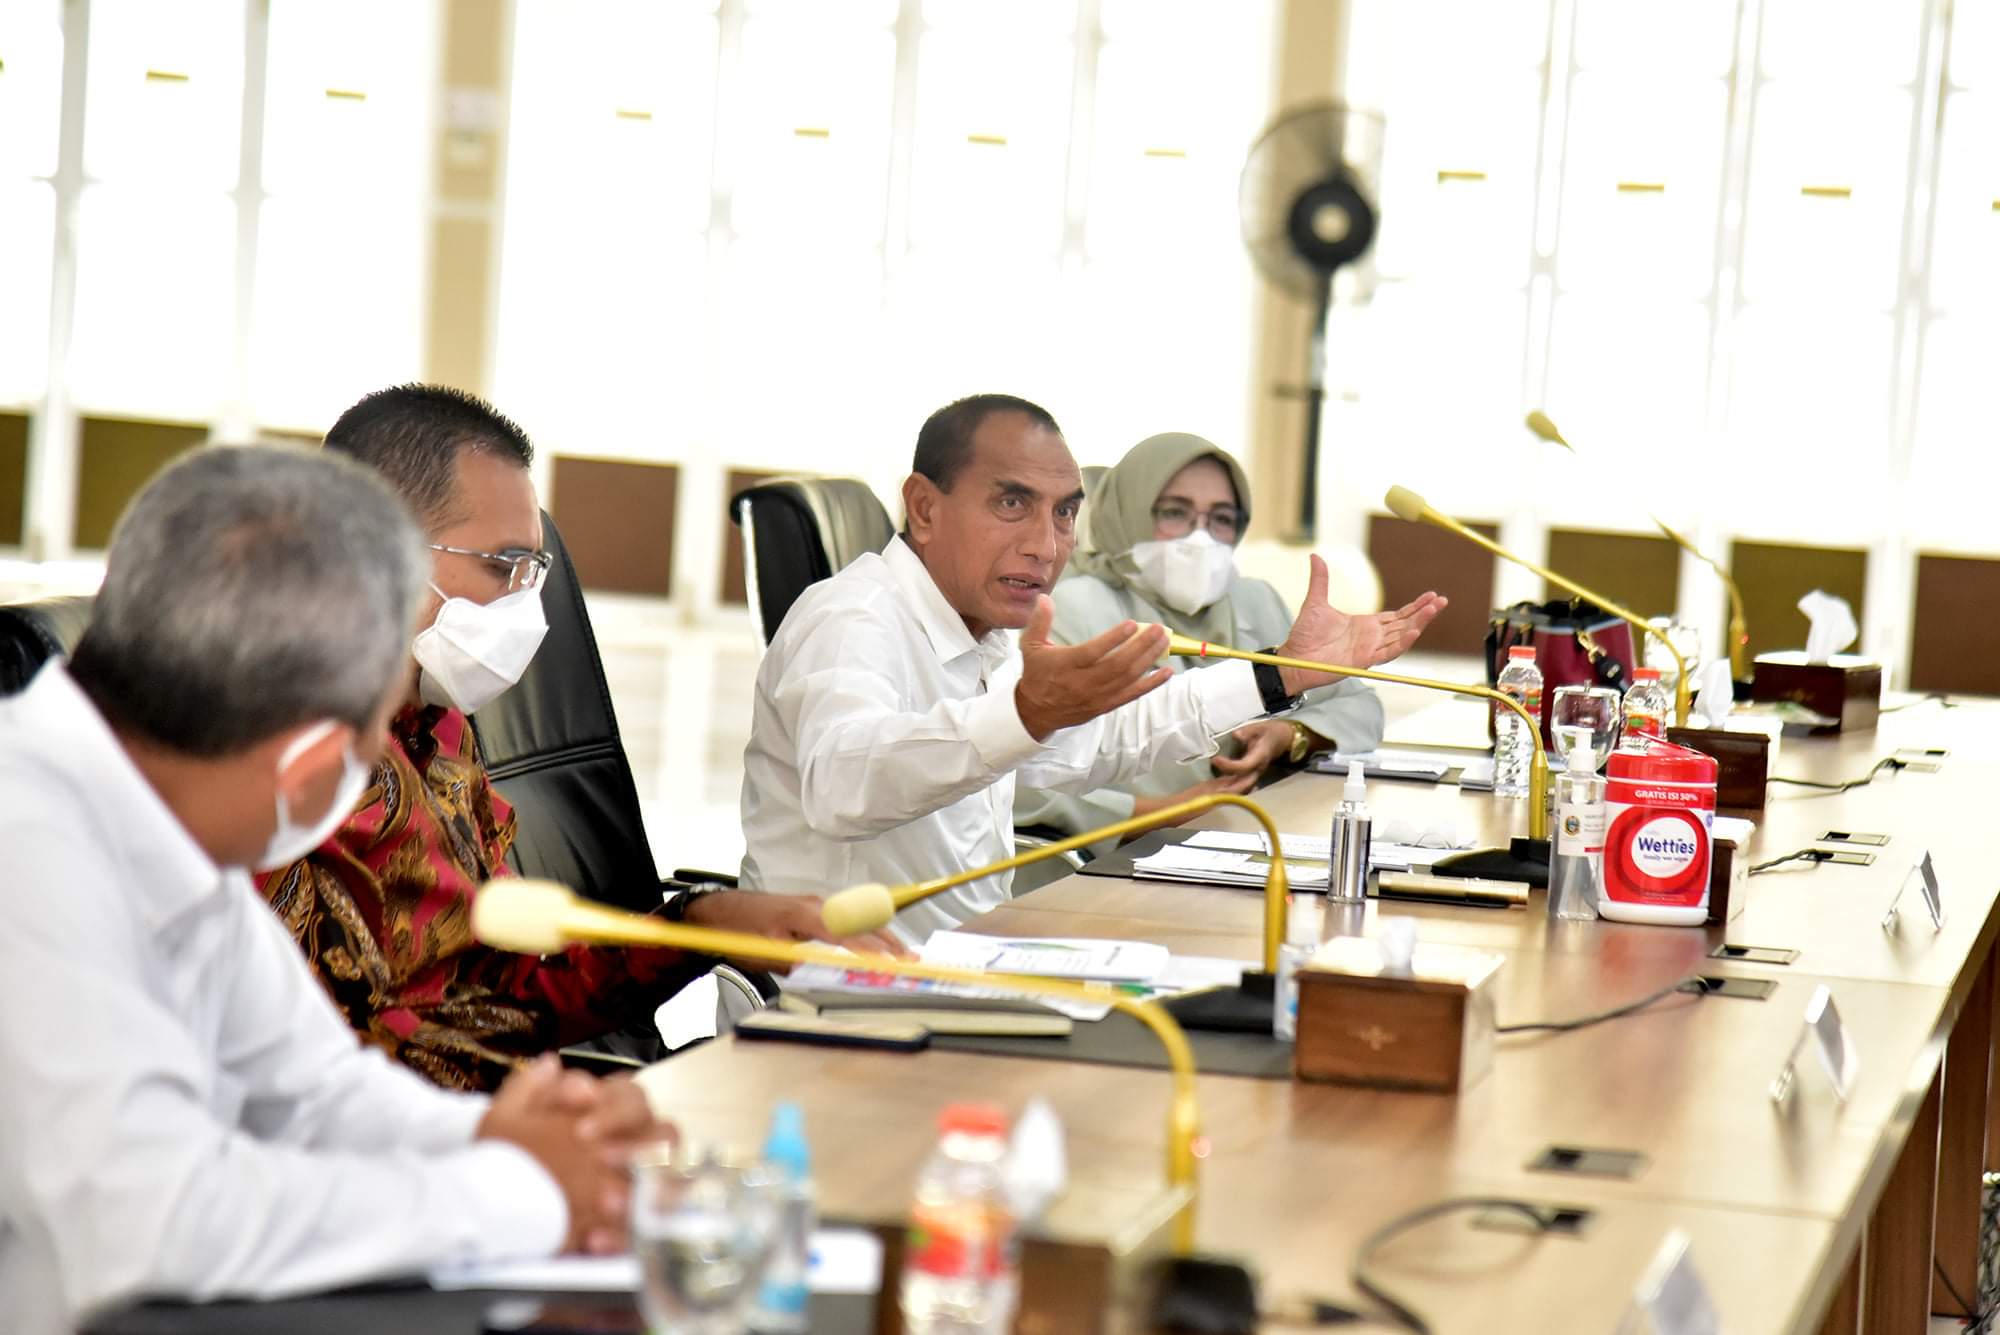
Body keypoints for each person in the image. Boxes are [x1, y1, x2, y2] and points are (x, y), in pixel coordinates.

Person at [0, 445, 664, 1335]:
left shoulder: (162, 818)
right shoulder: (26, 842)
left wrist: (508, 1141)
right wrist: (524, 1193)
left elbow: (315, 1091)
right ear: (311, 766)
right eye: (375, 736)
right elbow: (155, 1218)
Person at [258, 384, 900, 1093]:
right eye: (503, 566)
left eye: (533, 572)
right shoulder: (267, 758)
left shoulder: (437, 730)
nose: (525, 608)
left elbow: (507, 994)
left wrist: (703, 923)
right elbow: (307, 1069)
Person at [738, 394, 1444, 943]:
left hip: (969, 967)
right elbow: (844, 786)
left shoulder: (983, 633)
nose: (1046, 546)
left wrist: (1280, 675)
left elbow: (1106, 739)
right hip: (837, 1002)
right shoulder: (851, 618)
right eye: (1012, 503)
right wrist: (1025, 714)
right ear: (924, 507)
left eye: (1064, 514)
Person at [1014, 433, 1384, 856]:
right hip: (1120, 861)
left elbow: (1360, 707)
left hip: (1252, 843)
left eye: (1221, 519)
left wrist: (1290, 735)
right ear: (1127, 513)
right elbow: (1021, 775)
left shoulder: (1253, 599)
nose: (1200, 538)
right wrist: (1158, 814)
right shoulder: (1071, 608)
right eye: (1175, 513)